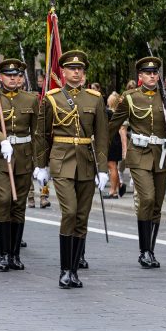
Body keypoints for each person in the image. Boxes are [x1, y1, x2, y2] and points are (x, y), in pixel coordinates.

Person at [34, 50, 108, 289]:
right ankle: (65, 270)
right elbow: (42, 134)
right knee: (70, 212)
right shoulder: (52, 98)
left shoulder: (95, 99)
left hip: (86, 161)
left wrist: (104, 169)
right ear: (63, 72)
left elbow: (102, 137)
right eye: (72, 69)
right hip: (62, 161)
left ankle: (74, 270)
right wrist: (41, 165)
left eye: (80, 69)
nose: (76, 72)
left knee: (81, 218)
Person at [108, 57, 166, 268]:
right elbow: (113, 125)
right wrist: (101, 152)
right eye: (148, 73)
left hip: (161, 155)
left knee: (157, 204)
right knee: (147, 198)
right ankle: (144, 250)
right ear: (140, 76)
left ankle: (151, 250)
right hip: (139, 154)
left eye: (155, 73)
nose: (152, 76)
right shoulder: (130, 97)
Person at [0, 58, 39, 272]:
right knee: (4, 199)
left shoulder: (31, 99)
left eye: (17, 75)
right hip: (0, 158)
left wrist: (39, 161)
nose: (14, 78)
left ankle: (14, 254)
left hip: (24, 158)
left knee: (19, 205)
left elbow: (36, 132)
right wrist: (2, 140)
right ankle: (4, 254)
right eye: (9, 75)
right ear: (0, 78)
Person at [102, 92, 124, 199]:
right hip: (116, 140)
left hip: (111, 141)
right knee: (113, 165)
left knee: (112, 166)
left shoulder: (108, 113)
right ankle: (118, 185)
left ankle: (113, 191)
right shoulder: (117, 113)